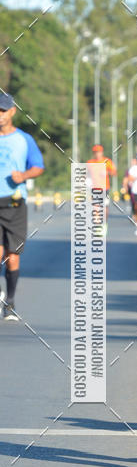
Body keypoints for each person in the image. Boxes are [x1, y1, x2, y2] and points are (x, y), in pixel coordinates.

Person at [0, 93, 44, 320]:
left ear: (12, 112)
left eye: (3, 111)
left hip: (15, 202)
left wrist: (24, 175)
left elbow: (38, 166)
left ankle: (10, 301)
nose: (0, 115)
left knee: (12, 256)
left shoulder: (24, 140)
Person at [86, 143, 116, 230]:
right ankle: (97, 225)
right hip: (94, 188)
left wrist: (107, 173)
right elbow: (86, 174)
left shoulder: (107, 161)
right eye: (95, 152)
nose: (97, 154)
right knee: (96, 207)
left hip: (105, 188)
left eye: (99, 152)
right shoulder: (90, 162)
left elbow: (114, 172)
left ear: (102, 152)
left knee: (104, 206)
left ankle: (104, 223)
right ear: (93, 153)